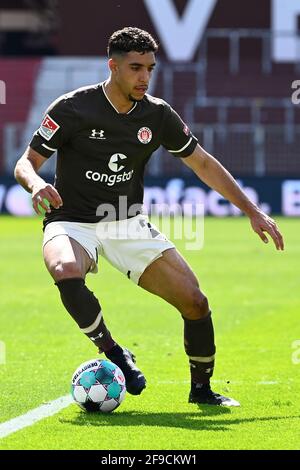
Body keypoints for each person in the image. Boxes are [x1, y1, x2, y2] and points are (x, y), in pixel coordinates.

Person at [14, 27, 284, 406]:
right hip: (71, 220)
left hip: (126, 223)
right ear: (113, 66)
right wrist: (35, 184)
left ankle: (202, 391)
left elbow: (202, 163)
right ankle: (114, 352)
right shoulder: (71, 107)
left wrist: (252, 211)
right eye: (135, 68)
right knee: (64, 269)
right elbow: (26, 162)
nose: (144, 77)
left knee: (195, 302)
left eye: (150, 69)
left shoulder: (157, 115)